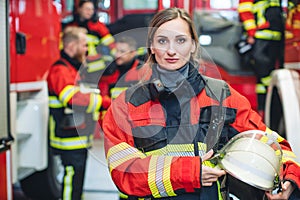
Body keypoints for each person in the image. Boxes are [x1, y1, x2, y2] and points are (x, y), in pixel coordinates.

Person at [102, 7, 300, 200]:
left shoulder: (223, 97)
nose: (171, 50)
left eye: (180, 40)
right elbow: (123, 173)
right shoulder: (126, 105)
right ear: (152, 47)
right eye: (162, 41)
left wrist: (290, 180)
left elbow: (272, 144)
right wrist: (190, 173)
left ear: (194, 45)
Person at [47, 26, 111, 200]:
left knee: (76, 180)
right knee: (72, 179)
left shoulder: (73, 69)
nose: (86, 49)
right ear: (71, 46)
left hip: (77, 136)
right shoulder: (60, 70)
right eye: (83, 45)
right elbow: (74, 99)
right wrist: (106, 102)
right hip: (68, 138)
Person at [237, 0, 285, 116]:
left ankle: (267, 107)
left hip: (278, 38)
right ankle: (264, 107)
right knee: (263, 74)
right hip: (261, 37)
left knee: (269, 74)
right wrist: (252, 32)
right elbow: (244, 10)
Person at [67, 0, 116, 73]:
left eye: (92, 9)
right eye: (87, 9)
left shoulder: (98, 27)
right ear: (79, 9)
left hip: (96, 65)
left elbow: (110, 44)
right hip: (76, 65)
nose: (90, 12)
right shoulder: (71, 26)